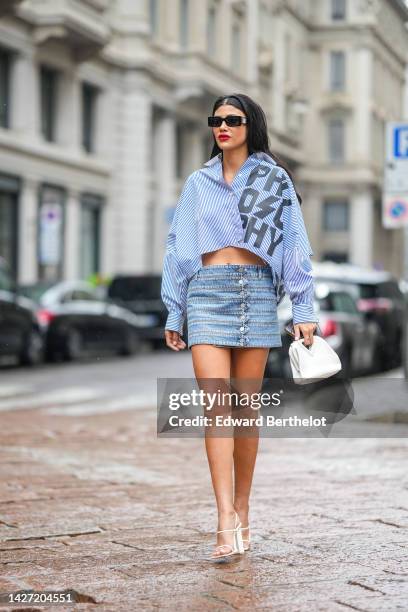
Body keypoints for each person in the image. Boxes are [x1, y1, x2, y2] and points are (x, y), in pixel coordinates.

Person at [161, 93, 318, 559]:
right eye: (217, 120)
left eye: (233, 119)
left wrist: (304, 308)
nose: (222, 126)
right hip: (206, 293)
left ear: (252, 124)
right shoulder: (198, 182)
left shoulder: (275, 179)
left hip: (256, 293)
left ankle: (244, 508)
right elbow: (178, 245)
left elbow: (294, 244)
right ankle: (224, 518)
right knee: (217, 407)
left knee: (246, 410)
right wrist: (175, 308)